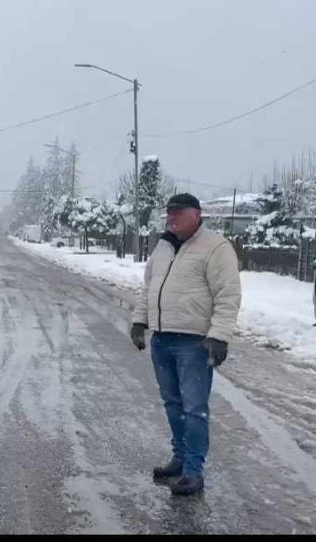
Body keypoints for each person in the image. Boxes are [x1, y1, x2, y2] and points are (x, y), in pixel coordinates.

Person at [130, 193, 241, 495]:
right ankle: (179, 459)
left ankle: (194, 470)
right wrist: (140, 321)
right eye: (170, 212)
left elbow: (228, 296)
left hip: (193, 343)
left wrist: (219, 336)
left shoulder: (216, 248)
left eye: (179, 212)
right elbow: (149, 288)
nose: (172, 217)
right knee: (173, 403)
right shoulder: (163, 247)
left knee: (194, 408)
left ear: (197, 214)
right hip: (162, 339)